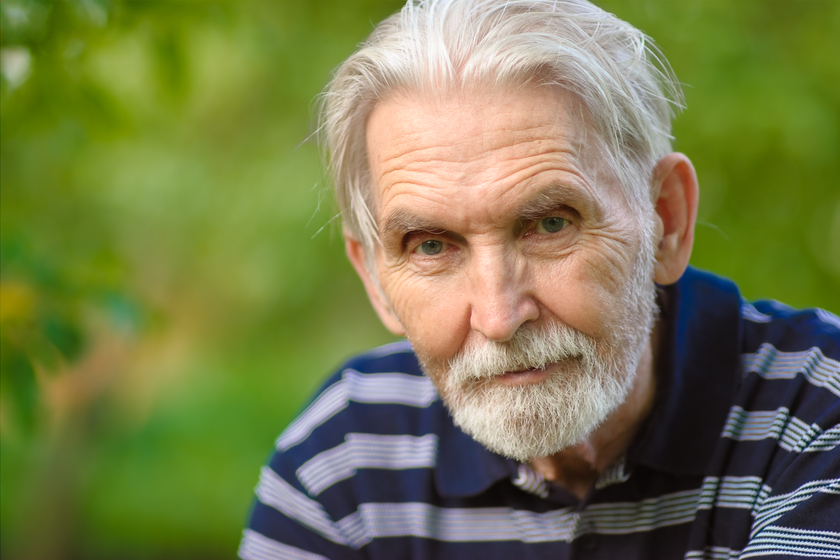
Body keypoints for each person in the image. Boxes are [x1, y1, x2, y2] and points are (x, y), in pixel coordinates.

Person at [239, 0, 840, 558]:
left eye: (550, 224)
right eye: (430, 245)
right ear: (374, 277)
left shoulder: (821, 410)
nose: (499, 318)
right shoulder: (342, 461)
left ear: (666, 221)